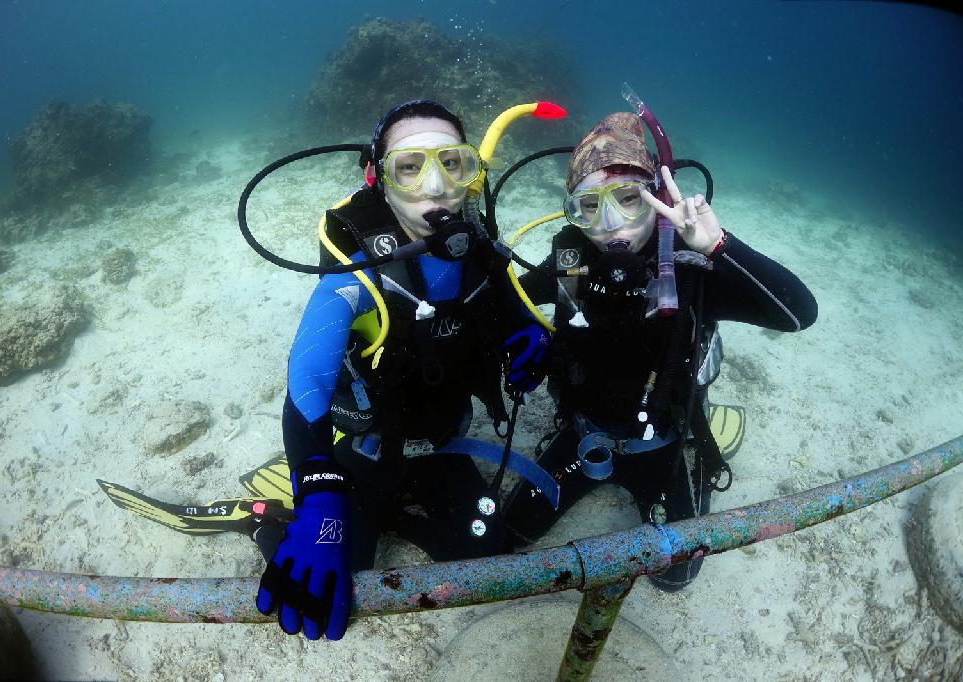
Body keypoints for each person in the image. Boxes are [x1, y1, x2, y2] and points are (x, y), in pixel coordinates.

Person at [254, 100, 549, 640]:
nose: (435, 188)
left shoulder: (481, 249)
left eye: (452, 163)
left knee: (487, 552)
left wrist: (527, 336)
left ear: (473, 173)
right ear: (378, 179)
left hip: (444, 445)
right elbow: (307, 385)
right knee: (341, 573)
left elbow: (511, 312)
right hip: (365, 447)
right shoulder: (356, 278)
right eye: (409, 167)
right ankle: (269, 522)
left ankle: (399, 516)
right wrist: (318, 493)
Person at [503, 111, 818, 591]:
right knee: (513, 530)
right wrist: (524, 329)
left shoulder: (693, 272)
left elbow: (798, 313)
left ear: (659, 198)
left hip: (664, 443)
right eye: (589, 206)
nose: (611, 226)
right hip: (584, 437)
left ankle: (700, 448)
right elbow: (502, 301)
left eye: (630, 200)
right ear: (573, 211)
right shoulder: (571, 264)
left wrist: (717, 246)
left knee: (677, 575)